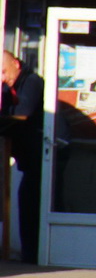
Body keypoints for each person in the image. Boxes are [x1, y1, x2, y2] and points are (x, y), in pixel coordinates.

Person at [2, 52, 45, 264]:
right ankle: (30, 253)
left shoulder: (32, 81)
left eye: (4, 71)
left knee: (34, 202)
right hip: (29, 158)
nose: (2, 77)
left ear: (16, 64)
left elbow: (22, 113)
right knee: (26, 202)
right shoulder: (9, 87)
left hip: (46, 156)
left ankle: (35, 255)